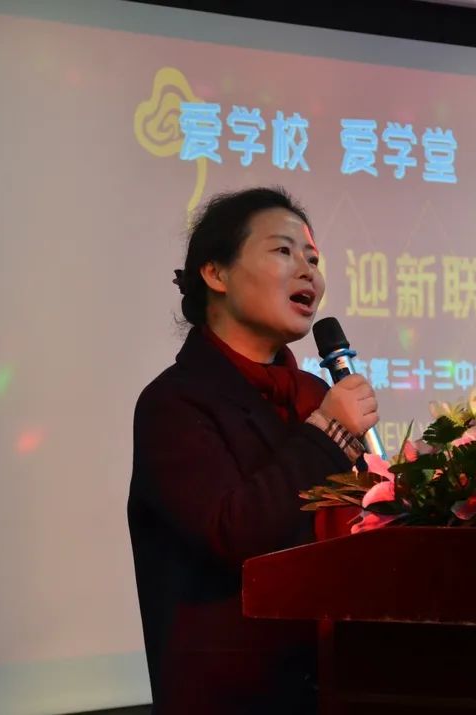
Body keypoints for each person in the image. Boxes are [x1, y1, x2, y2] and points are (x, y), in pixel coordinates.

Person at [127, 187, 379, 714]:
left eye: (313, 259)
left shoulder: (314, 395)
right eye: (284, 251)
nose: (308, 271)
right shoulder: (174, 403)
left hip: (342, 686)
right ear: (215, 273)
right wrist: (330, 432)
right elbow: (232, 530)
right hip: (235, 698)